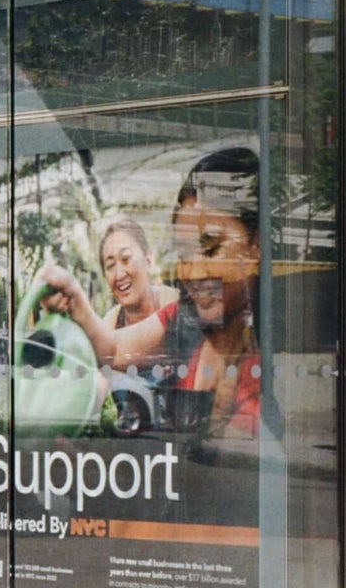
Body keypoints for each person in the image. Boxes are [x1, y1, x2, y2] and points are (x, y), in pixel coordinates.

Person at [34, 150, 261, 439]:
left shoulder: (287, 343)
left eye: (211, 247)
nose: (193, 273)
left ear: (256, 244)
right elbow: (112, 350)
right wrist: (72, 295)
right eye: (185, 255)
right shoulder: (181, 316)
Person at [95, 219, 178, 331]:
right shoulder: (108, 328)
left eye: (126, 258)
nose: (119, 275)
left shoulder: (178, 304)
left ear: (148, 260)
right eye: (110, 266)